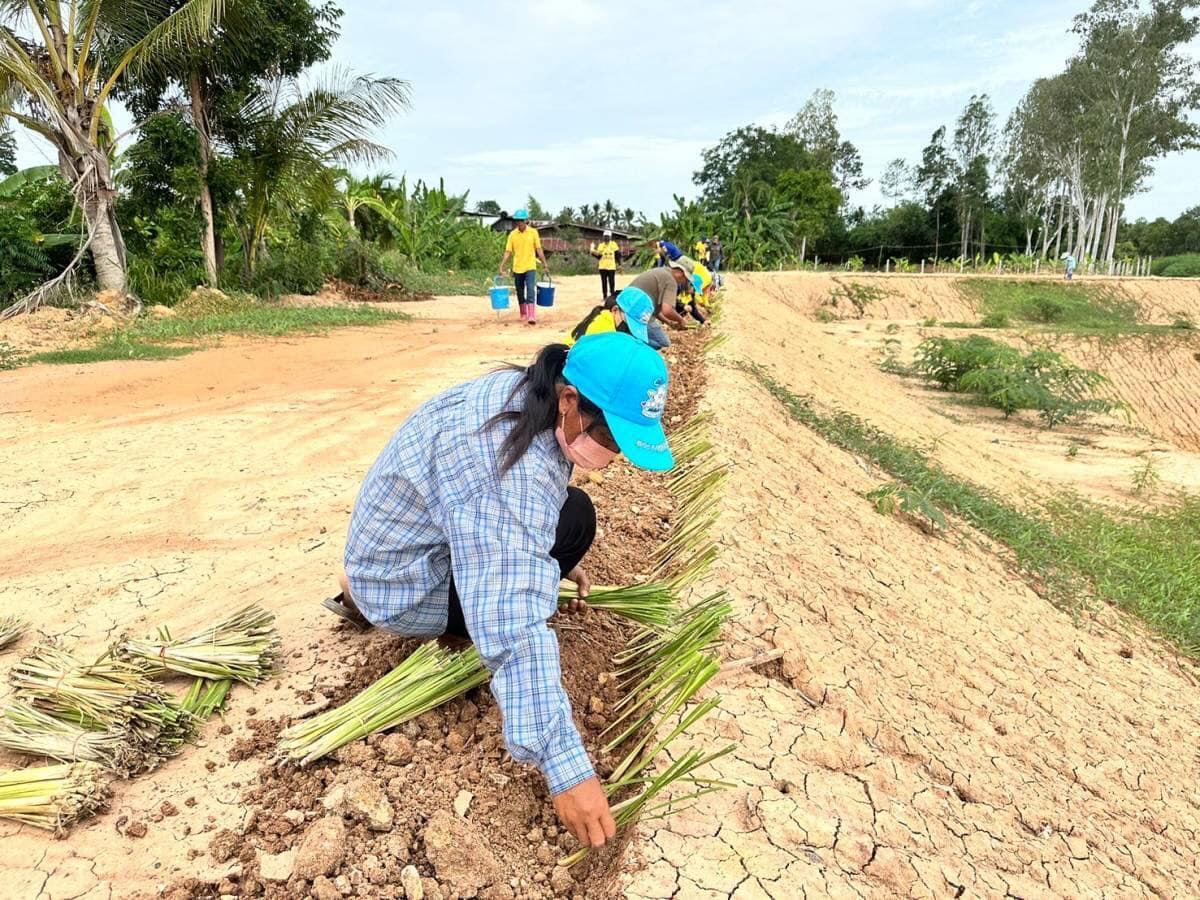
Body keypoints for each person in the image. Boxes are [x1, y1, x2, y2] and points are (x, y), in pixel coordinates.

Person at [328, 333, 674, 850]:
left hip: (415, 545)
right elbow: (510, 622)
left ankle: (361, 587)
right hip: (403, 581)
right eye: (612, 439)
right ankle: (376, 600)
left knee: (574, 515)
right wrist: (566, 769)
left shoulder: (528, 395)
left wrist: (544, 564)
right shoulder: (503, 469)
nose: (615, 454)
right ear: (570, 402)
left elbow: (525, 515)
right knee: (517, 601)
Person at [628, 257, 694, 350]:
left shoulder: (662, 272)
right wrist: (681, 320)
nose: (684, 281)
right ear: (681, 273)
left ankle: (632, 337)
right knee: (663, 343)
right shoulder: (671, 281)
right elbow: (667, 310)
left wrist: (669, 322)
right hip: (638, 313)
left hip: (628, 307)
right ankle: (631, 342)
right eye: (686, 279)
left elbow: (656, 310)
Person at [499, 209, 549, 325]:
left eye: (521, 220)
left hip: (530, 266)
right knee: (520, 291)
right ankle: (523, 313)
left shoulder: (533, 233)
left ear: (526, 220)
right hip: (517, 267)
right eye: (517, 220)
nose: (519, 222)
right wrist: (502, 265)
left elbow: (539, 249)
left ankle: (531, 315)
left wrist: (545, 264)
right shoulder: (512, 235)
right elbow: (508, 251)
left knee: (530, 289)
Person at [565, 286, 655, 347]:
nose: (630, 331)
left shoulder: (604, 315)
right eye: (628, 324)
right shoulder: (604, 330)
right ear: (615, 310)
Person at [590, 230, 621, 299]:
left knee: (611, 282)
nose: (606, 238)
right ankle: (605, 296)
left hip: (611, 267)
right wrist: (592, 252)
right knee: (604, 282)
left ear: (610, 237)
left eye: (607, 236)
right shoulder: (601, 245)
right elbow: (599, 256)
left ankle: (612, 296)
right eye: (605, 236)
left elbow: (617, 254)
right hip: (602, 267)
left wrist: (619, 264)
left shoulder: (613, 244)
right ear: (603, 237)